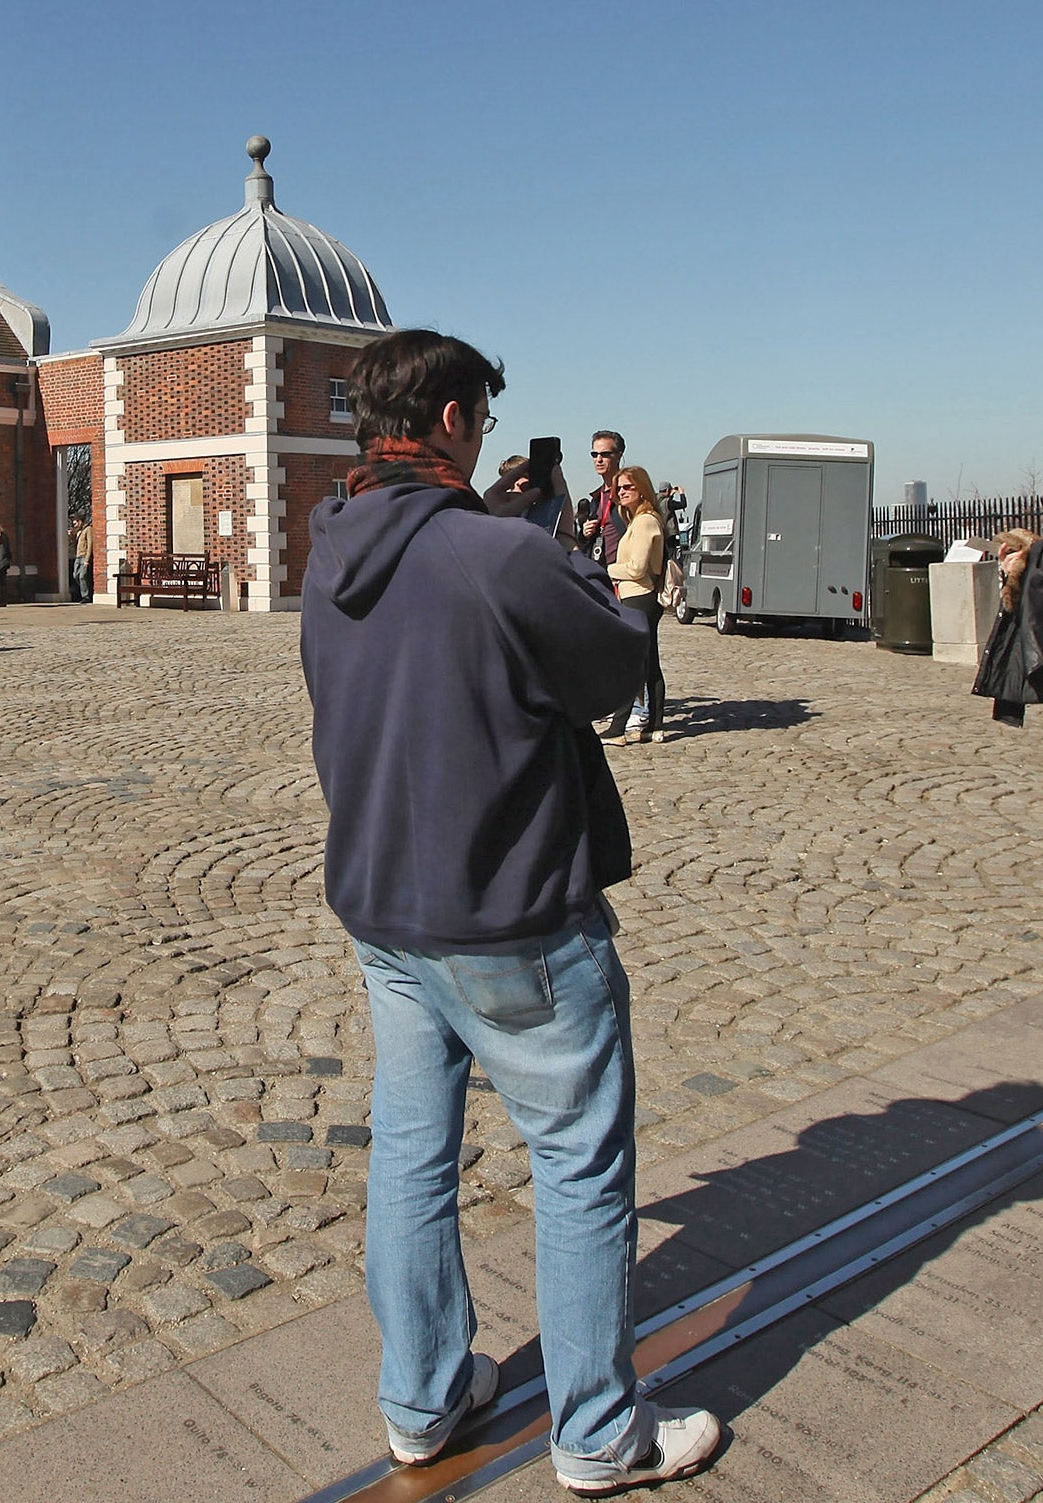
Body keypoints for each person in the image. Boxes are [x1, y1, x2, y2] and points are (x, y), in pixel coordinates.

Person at [300, 329, 721, 1493]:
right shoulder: (494, 553)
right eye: (478, 415)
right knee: (579, 1164)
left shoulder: (328, 548)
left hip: (385, 904)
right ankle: (596, 1433)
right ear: (446, 420)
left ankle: (422, 1399)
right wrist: (620, 581)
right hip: (510, 911)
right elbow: (609, 675)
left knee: (412, 1156)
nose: (486, 435)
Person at [604, 466, 667, 744]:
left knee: (632, 663)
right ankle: (654, 725)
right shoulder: (635, 520)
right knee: (648, 661)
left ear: (642, 488)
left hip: (640, 596)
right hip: (635, 596)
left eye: (627, 487)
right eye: (618, 489)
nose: (621, 493)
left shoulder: (644, 522)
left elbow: (637, 568)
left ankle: (619, 728)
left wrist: (608, 569)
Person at [581, 430, 626, 566]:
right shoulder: (596, 499)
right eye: (594, 454)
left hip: (622, 577)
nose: (599, 459)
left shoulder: (628, 493)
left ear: (619, 455)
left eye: (605, 454)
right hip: (599, 574)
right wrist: (585, 534)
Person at [70, 515, 94, 603]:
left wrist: (87, 559)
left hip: (84, 556)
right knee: (75, 575)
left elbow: (90, 544)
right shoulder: (79, 532)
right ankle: (85, 590)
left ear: (80, 521)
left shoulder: (88, 529)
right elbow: (75, 544)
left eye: (75, 523)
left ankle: (86, 596)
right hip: (78, 556)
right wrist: (72, 536)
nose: (75, 525)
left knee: (82, 576)